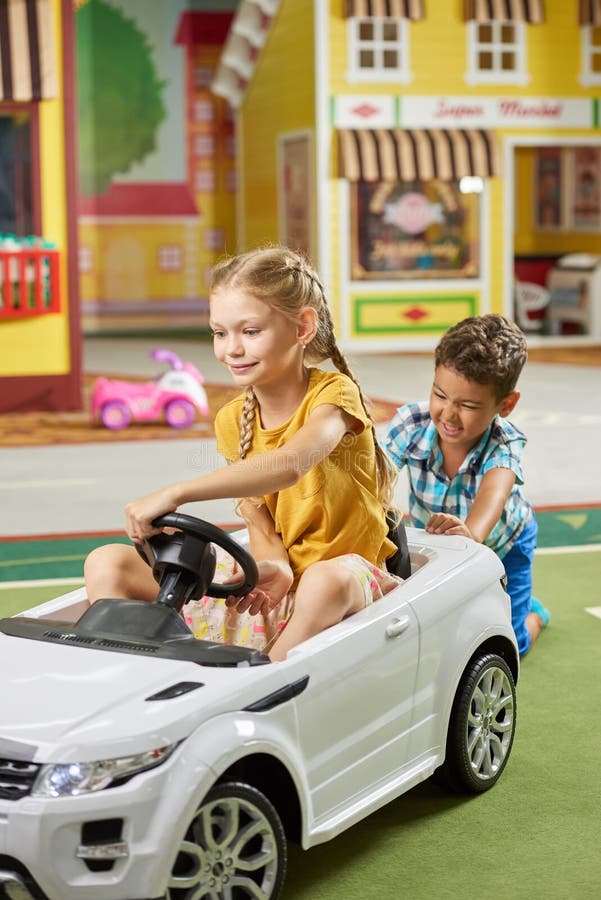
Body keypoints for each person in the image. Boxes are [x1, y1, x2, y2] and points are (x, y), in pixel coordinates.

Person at [85, 246, 401, 661]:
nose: (231, 348)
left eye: (250, 332)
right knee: (106, 561)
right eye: (220, 332)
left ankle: (261, 678)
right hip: (281, 591)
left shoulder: (334, 396)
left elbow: (288, 465)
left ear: (303, 327)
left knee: (322, 582)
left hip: (344, 583)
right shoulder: (233, 420)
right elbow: (260, 522)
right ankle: (131, 670)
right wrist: (277, 567)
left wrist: (177, 493)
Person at [384, 313, 550, 658]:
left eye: (469, 405)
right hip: (441, 545)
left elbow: (494, 494)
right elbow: (377, 477)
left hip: (506, 543)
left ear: (506, 404)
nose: (448, 413)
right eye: (440, 395)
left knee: (510, 645)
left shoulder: (504, 444)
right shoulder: (410, 423)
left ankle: (535, 614)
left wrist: (471, 532)